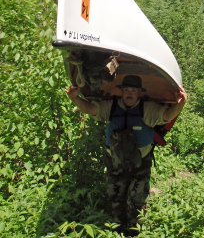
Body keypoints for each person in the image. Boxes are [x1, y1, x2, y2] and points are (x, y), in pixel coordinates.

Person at [66, 75, 187, 236]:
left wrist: (181, 104)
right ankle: (116, 231)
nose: (130, 93)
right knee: (116, 200)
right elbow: (90, 109)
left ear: (139, 93)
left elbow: (167, 116)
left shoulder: (147, 108)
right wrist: (74, 99)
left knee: (136, 202)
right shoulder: (111, 106)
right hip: (115, 163)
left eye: (133, 90)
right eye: (127, 90)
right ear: (121, 92)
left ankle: (134, 232)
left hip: (140, 164)